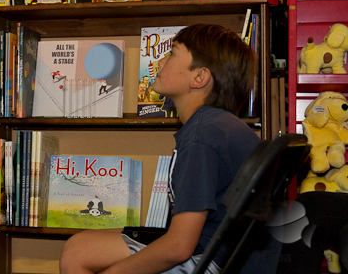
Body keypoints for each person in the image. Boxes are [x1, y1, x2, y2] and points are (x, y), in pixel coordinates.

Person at [60, 23, 281, 274]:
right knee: (80, 246)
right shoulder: (222, 126)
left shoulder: (201, 138)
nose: (161, 60)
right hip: (230, 255)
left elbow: (179, 247)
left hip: (208, 262)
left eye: (173, 53)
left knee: (76, 255)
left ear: (199, 77)